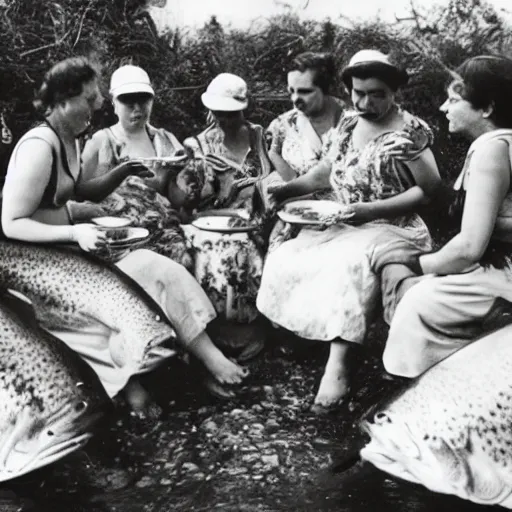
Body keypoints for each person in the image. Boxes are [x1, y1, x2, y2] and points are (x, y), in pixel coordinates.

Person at [1, 57, 248, 411]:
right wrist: (75, 231)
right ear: (62, 100)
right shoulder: (39, 146)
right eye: (90, 99)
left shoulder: (68, 137)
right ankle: (130, 383)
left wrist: (121, 173)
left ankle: (207, 356)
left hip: (68, 250)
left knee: (160, 268)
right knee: (116, 300)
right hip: (34, 264)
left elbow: (79, 190)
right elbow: (11, 224)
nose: (98, 105)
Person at [256, 49, 441, 413]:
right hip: (345, 218)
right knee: (287, 254)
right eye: (358, 92)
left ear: (394, 91)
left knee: (345, 265)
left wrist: (368, 210)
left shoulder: (410, 130)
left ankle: (338, 366)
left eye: (376, 93)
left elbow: (429, 190)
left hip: (391, 223)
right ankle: (305, 335)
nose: (365, 101)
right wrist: (287, 189)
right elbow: (326, 171)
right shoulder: (348, 124)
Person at [378, 55, 512, 378]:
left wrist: (420, 264)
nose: (443, 108)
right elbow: (467, 210)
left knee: (415, 300)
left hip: (504, 273)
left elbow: (469, 248)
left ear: (487, 108)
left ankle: (422, 394)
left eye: (454, 99)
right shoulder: (503, 142)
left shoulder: (491, 149)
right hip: (500, 263)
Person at [181, 73, 272, 357]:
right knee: (224, 249)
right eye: (218, 113)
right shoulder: (197, 145)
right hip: (211, 220)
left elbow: (271, 176)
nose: (223, 119)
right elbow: (191, 204)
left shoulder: (258, 135)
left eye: (231, 114)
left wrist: (257, 202)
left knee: (264, 241)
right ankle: (219, 331)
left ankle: (258, 328)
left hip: (258, 215)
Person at [78, 64, 194, 268]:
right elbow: (81, 191)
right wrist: (121, 175)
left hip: (162, 230)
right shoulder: (102, 140)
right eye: (128, 101)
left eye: (143, 100)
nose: (137, 108)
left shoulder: (165, 140)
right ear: (114, 102)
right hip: (120, 236)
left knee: (182, 264)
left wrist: (181, 176)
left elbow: (177, 201)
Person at [267, 51, 346, 182]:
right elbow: (273, 152)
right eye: (291, 91)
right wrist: (291, 179)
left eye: (305, 91)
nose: (295, 99)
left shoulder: (350, 121)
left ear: (327, 89)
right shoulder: (285, 123)